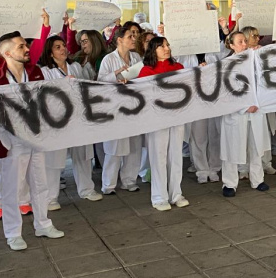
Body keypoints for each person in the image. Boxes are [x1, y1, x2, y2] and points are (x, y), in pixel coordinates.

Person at [0, 31, 65, 250]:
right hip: (10, 141)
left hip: (35, 137)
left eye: (25, 45)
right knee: (12, 188)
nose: (26, 49)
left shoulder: (36, 73)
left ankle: (43, 224)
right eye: (21, 46)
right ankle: (13, 232)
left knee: (40, 183)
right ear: (6, 53)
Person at [37, 36, 103, 208]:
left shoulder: (75, 66)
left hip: (78, 116)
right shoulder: (45, 71)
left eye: (64, 45)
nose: (63, 49)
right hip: (57, 119)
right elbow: (44, 94)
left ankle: (86, 189)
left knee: (82, 154)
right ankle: (50, 197)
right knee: (55, 159)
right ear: (50, 53)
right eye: (58, 47)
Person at [137, 37, 190, 210]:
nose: (166, 48)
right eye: (162, 46)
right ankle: (159, 197)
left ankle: (176, 193)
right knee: (158, 156)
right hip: (157, 118)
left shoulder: (178, 68)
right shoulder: (146, 71)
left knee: (175, 155)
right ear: (153, 50)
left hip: (177, 116)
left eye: (167, 45)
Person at [219, 31, 271, 196]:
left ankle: (258, 179)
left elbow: (264, 83)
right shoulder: (226, 65)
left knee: (255, 147)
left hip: (256, 111)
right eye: (240, 42)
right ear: (232, 45)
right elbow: (226, 92)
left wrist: (256, 103)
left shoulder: (256, 60)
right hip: (236, 114)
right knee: (232, 148)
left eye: (245, 41)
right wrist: (243, 107)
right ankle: (229, 183)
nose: (244, 44)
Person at [97, 27, 144, 194]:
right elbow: (100, 81)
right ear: (119, 40)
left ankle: (129, 180)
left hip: (134, 105)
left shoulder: (136, 57)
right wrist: (115, 74)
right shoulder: (108, 59)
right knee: (115, 147)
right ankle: (108, 184)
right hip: (115, 108)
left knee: (134, 145)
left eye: (134, 36)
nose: (133, 39)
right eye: (130, 36)